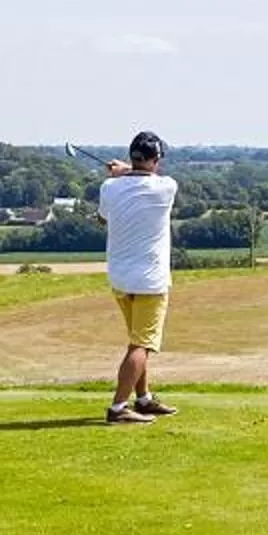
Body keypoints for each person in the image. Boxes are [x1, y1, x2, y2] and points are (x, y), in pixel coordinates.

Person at [98, 130, 178, 425]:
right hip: (150, 281)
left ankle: (142, 399)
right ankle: (118, 408)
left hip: (120, 279)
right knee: (141, 345)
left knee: (137, 341)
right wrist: (126, 172)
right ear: (155, 160)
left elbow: (103, 217)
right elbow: (148, 178)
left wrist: (121, 174)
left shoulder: (109, 188)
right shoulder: (166, 187)